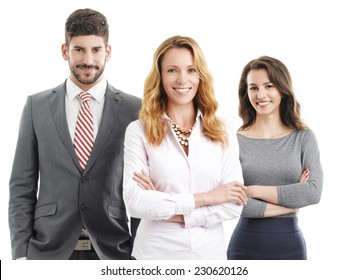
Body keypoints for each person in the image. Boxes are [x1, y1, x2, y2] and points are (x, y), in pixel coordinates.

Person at [8, 8, 141, 260]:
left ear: (108, 52)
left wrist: (141, 252)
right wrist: (20, 253)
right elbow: (21, 186)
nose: (87, 59)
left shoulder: (135, 109)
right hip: (47, 250)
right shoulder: (36, 106)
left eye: (96, 50)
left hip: (113, 250)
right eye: (78, 49)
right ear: (64, 50)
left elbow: (143, 186)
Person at [123, 35, 247, 260]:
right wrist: (209, 197)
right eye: (172, 70)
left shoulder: (224, 131)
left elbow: (232, 205)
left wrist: (166, 209)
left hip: (209, 259)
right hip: (154, 257)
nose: (182, 79)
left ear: (200, 76)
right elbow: (135, 203)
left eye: (191, 70)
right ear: (160, 76)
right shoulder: (138, 130)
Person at [227, 56, 323, 260]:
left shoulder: (303, 138)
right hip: (244, 247)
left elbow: (313, 192)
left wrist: (253, 190)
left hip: (290, 247)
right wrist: (292, 202)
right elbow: (233, 202)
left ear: (282, 89)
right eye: (253, 88)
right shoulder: (234, 141)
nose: (260, 94)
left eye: (268, 86)